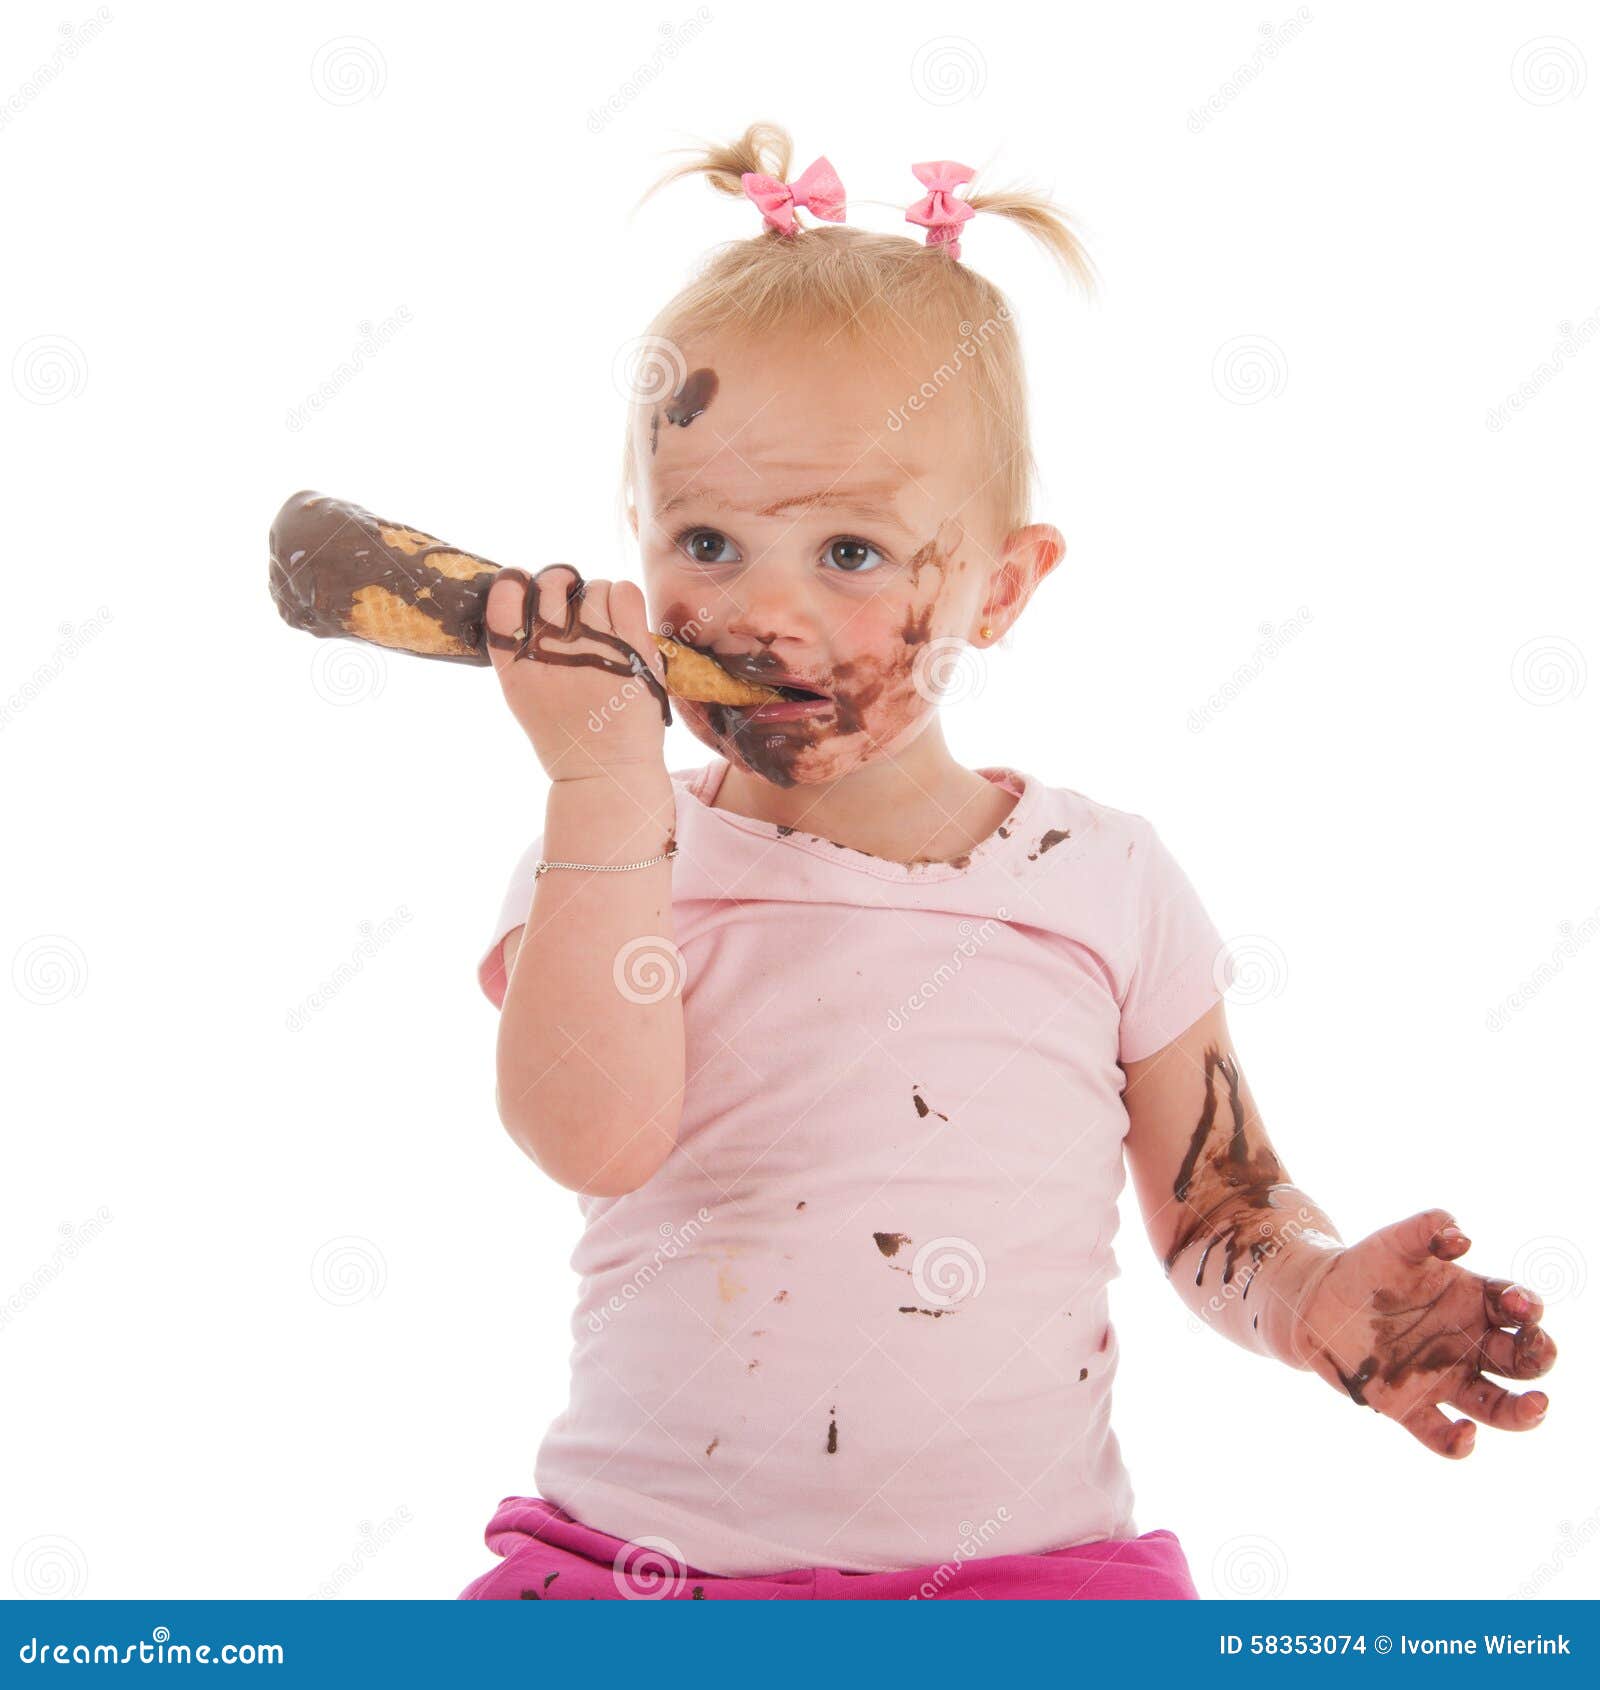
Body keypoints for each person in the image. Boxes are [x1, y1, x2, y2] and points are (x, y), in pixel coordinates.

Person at [459, 124, 1555, 1601]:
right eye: (706, 540)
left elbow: (1224, 1205)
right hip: (645, 1584)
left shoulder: (1101, 879)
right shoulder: (616, 849)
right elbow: (588, 1141)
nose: (760, 609)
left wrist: (1314, 1295)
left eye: (851, 553)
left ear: (1003, 584)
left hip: (1028, 1590)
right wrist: (599, 789)